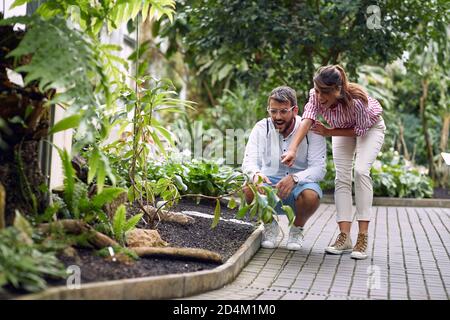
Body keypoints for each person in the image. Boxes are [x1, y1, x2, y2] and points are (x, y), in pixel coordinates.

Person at [281, 65, 386, 260]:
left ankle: (362, 237)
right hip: (340, 129)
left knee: (361, 172)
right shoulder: (315, 94)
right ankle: (344, 237)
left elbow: (359, 131)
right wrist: (293, 149)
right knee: (342, 178)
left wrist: (329, 132)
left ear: (338, 89)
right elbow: (308, 118)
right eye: (318, 91)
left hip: (369, 129)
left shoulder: (357, 101)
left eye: (325, 93)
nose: (320, 97)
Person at [242, 86, 326, 250]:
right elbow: (249, 161)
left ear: (295, 110)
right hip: (269, 185)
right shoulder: (261, 127)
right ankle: (269, 225)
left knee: (311, 195)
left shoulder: (312, 130)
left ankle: (297, 229)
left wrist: (296, 178)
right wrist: (256, 174)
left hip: (300, 186)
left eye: (283, 111)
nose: (277, 117)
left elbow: (319, 169)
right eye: (273, 111)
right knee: (249, 188)